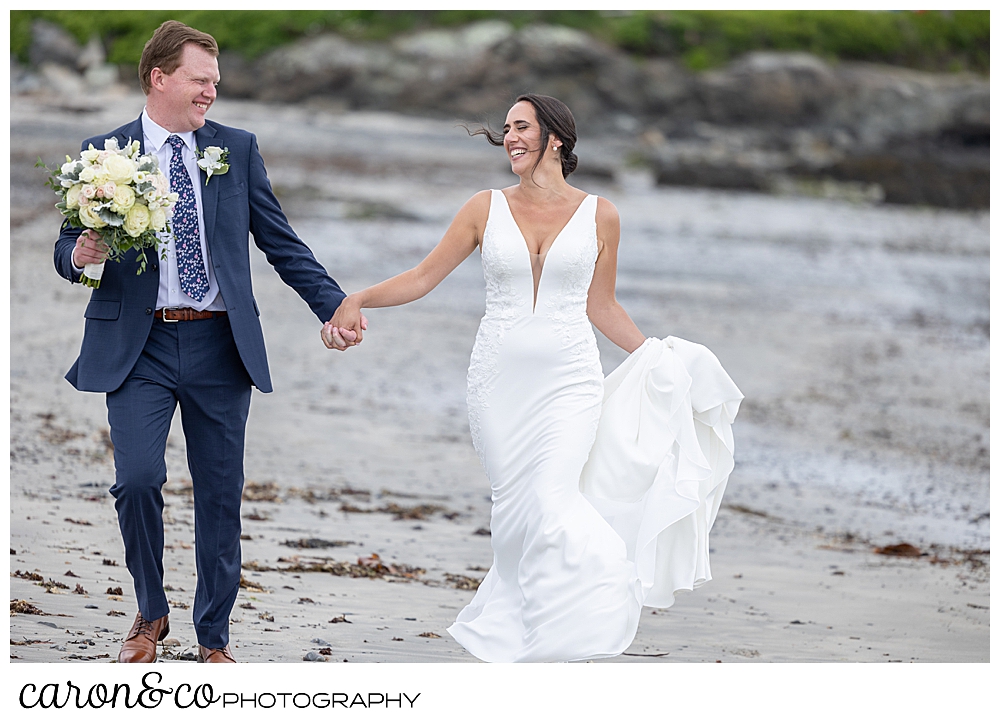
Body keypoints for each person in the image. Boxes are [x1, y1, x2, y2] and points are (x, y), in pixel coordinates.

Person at [325, 94, 743, 662]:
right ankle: (528, 633)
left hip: (571, 381)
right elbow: (424, 277)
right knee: (515, 512)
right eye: (506, 129)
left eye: (521, 127)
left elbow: (603, 306)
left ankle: (588, 608)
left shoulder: (602, 215)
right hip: (497, 381)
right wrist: (358, 297)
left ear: (556, 139)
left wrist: (657, 356)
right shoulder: (483, 207)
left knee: (551, 499)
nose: (510, 138)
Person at [53, 21, 361, 664]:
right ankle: (150, 613)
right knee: (137, 480)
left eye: (215, 82)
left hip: (221, 344)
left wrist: (334, 306)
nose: (210, 93)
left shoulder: (237, 150)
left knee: (219, 491)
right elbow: (64, 245)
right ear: (158, 78)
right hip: (138, 346)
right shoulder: (102, 154)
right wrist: (80, 252)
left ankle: (213, 638)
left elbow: (280, 242)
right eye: (200, 80)